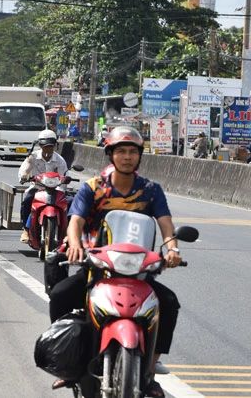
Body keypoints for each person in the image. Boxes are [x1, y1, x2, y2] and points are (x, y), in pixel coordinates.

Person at [49, 127, 182, 397]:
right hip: (98, 268)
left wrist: (172, 249)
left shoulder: (151, 190)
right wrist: (75, 245)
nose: (127, 157)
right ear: (110, 154)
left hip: (139, 271)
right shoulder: (93, 187)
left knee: (168, 304)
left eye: (133, 151)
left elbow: (166, 226)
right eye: (121, 151)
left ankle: (152, 367)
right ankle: (68, 362)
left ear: (139, 156)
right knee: (61, 295)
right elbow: (76, 222)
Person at [17, 130, 69, 243]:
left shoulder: (60, 161)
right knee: (27, 200)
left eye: (51, 147)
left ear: (55, 146)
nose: (48, 149)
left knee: (69, 202)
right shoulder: (33, 157)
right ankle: (26, 229)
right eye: (45, 147)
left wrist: (65, 179)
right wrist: (25, 176)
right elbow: (24, 169)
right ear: (40, 145)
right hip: (37, 188)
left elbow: (64, 176)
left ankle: (67, 232)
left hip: (56, 189)